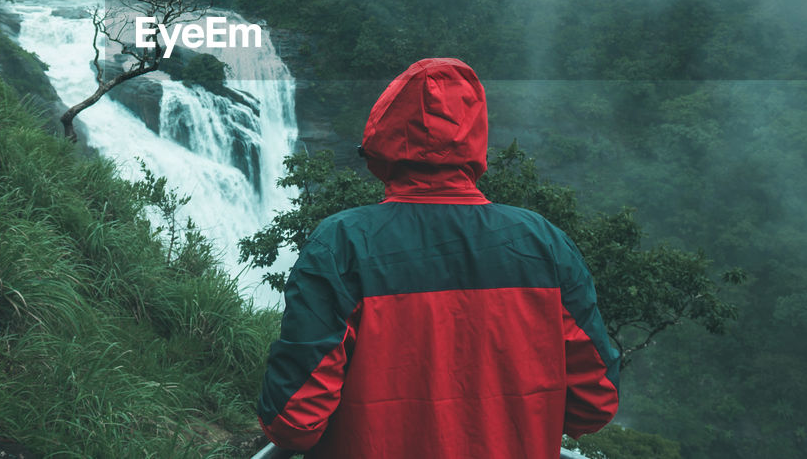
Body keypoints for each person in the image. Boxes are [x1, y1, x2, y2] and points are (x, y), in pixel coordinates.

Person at [256, 57, 620, 457]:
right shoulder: (546, 246)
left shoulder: (342, 244)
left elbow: (293, 420)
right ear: (476, 139)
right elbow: (596, 401)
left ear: (383, 138)